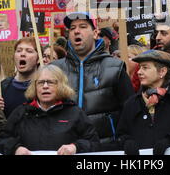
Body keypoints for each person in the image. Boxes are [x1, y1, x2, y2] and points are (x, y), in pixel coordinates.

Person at [53, 12, 134, 144]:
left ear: (95, 33)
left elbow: (130, 111)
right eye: (72, 28)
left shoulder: (114, 67)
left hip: (104, 147)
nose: (76, 31)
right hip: (64, 148)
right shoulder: (55, 70)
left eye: (83, 26)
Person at [0, 65, 99, 155]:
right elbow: (1, 140)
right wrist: (15, 149)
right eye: (40, 83)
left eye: (50, 82)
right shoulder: (21, 112)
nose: (45, 86)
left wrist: (75, 147)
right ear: (35, 87)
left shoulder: (75, 113)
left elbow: (93, 142)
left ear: (61, 85)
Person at [116, 50, 170, 155]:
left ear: (162, 71)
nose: (139, 72)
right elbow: (120, 136)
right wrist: (126, 142)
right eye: (139, 67)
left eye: (145, 68)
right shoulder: (131, 103)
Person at [0, 37, 41, 118]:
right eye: (19, 51)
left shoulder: (44, 87)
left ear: (39, 59)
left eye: (29, 51)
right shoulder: (3, 87)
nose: (22, 54)